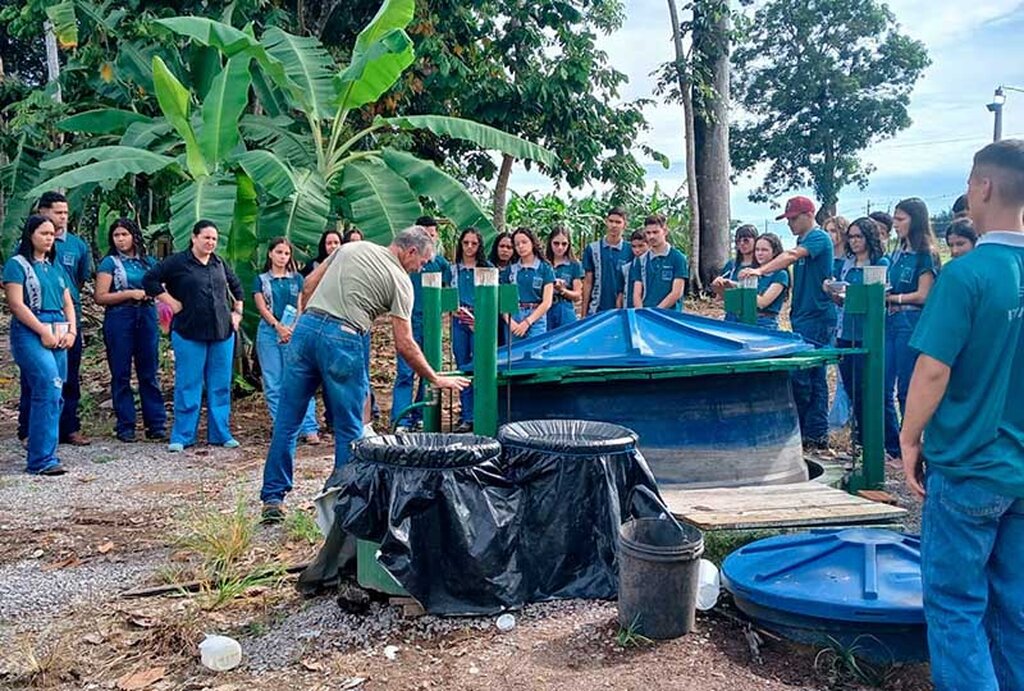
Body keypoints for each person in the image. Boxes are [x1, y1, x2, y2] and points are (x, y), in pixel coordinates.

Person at [901, 139, 1024, 691]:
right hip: (1020, 469)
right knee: (1014, 609)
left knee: (954, 605)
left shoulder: (968, 274)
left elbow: (932, 371)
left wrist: (908, 438)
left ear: (983, 187)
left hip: (969, 466)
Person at [259, 226, 470, 522]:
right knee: (350, 427)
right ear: (410, 251)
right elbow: (405, 344)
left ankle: (273, 498)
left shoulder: (351, 248)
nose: (420, 268)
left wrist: (308, 322)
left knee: (287, 421)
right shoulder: (401, 283)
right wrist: (434, 377)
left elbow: (307, 285)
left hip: (305, 331)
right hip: (343, 338)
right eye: (421, 262)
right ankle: (344, 505)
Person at [143, 220, 244, 452]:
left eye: (214, 239)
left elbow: (236, 287)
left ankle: (220, 433)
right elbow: (150, 280)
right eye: (206, 237)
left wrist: (237, 312)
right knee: (188, 385)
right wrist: (170, 302)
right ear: (194, 237)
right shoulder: (178, 262)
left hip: (221, 333)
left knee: (220, 386)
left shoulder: (219, 263)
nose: (210, 242)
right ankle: (183, 435)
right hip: (189, 332)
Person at [742, 196, 835, 449]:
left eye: (794, 218)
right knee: (810, 375)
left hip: (817, 315)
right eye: (789, 219)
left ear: (809, 214)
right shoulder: (803, 240)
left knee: (808, 375)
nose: (791, 224)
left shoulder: (817, 238)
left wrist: (761, 271)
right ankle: (811, 433)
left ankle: (814, 432)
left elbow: (791, 256)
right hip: (802, 314)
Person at [17, 192, 92, 447]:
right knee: (37, 377)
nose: (63, 217)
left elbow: (76, 283)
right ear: (42, 212)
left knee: (68, 375)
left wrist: (70, 323)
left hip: (69, 319)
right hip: (36, 320)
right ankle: (29, 430)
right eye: (58, 212)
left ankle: (68, 427)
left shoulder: (77, 245)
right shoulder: (25, 249)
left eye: (66, 213)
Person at [4, 215, 77, 475]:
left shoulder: (55, 266)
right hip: (31, 328)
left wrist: (72, 331)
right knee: (47, 384)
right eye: (43, 233)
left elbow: (67, 301)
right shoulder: (17, 265)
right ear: (31, 235)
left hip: (59, 325)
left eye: (51, 234)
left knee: (56, 393)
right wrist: (41, 330)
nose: (48, 238)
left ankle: (46, 451)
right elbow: (16, 303)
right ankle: (41, 460)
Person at [94, 218, 166, 443]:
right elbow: (100, 296)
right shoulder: (110, 263)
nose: (121, 239)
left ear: (134, 236)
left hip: (146, 314)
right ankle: (125, 425)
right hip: (120, 316)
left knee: (149, 371)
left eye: (124, 234)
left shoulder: (149, 262)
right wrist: (129, 294)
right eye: (116, 236)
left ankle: (156, 424)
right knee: (121, 372)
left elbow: (161, 287)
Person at [883, 197, 940, 459]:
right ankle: (893, 448)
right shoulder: (898, 251)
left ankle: (914, 448)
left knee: (907, 388)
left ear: (915, 220)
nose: (895, 225)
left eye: (900, 219)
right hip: (890, 320)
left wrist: (894, 299)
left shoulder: (925, 252)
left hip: (910, 321)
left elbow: (924, 295)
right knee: (883, 384)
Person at [827, 218, 890, 447]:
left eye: (858, 236)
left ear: (869, 237)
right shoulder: (848, 263)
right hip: (846, 331)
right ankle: (861, 440)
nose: (854, 241)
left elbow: (879, 297)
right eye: (851, 237)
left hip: (868, 333)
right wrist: (832, 291)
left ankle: (880, 442)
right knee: (852, 389)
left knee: (870, 391)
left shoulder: (880, 262)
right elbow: (844, 301)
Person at [253, 238, 320, 446]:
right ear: (270, 254)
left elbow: (301, 304)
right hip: (269, 332)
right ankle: (282, 426)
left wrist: (293, 328)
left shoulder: (297, 279)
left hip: (294, 331)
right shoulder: (262, 279)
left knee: (300, 378)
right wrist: (277, 327)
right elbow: (262, 307)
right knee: (273, 382)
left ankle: (309, 427)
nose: (283, 257)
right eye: (279, 252)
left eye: (286, 253)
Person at [392, 215, 452, 431]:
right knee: (405, 372)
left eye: (432, 236)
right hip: (407, 320)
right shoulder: (401, 262)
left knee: (428, 369)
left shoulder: (440, 263)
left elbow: (449, 287)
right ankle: (401, 419)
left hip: (432, 323)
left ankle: (421, 414)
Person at [451, 227, 490, 432]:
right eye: (466, 243)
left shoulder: (486, 268)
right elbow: (445, 294)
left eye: (474, 243)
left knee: (481, 365)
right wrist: (454, 308)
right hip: (459, 321)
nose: (469, 247)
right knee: (462, 365)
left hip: (481, 321)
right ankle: (467, 415)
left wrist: (480, 318)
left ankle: (482, 413)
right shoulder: (453, 269)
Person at [502, 227, 554, 340]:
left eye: (524, 242)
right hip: (514, 316)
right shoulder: (510, 270)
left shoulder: (545, 268)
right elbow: (504, 303)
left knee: (535, 352)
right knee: (514, 355)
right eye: (517, 244)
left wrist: (527, 322)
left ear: (532, 243)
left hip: (536, 318)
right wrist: (510, 322)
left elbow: (547, 302)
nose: (521, 246)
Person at [630, 214, 688, 311]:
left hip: (670, 315)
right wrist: (641, 312)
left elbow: (677, 292)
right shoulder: (641, 260)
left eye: (655, 232)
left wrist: (657, 312)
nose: (651, 236)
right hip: (646, 315)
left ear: (665, 231)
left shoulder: (678, 258)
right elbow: (637, 293)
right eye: (648, 233)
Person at [582, 207, 629, 315]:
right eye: (611, 221)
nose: (614, 225)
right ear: (606, 222)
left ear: (624, 225)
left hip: (621, 311)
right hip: (596, 309)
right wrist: (584, 313)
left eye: (618, 222)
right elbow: (588, 282)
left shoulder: (631, 250)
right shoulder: (593, 249)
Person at [545, 226, 583, 329]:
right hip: (545, 309)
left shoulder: (574, 265)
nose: (560, 247)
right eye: (556, 243)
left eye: (564, 244)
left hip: (565, 308)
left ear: (569, 244)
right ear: (550, 243)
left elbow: (577, 295)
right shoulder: (543, 263)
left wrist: (562, 290)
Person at [751, 233, 790, 329]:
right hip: (747, 320)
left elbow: (763, 303)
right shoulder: (752, 272)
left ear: (774, 252)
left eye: (764, 250)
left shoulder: (780, 274)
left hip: (766, 323)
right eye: (757, 250)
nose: (759, 253)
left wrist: (739, 287)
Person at [712, 224, 757, 296]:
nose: (742, 244)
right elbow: (719, 297)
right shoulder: (731, 265)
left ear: (756, 241)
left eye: (746, 240)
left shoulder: (762, 266)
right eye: (738, 241)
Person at [618, 229, 648, 308]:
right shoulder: (626, 268)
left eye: (641, 246)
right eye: (634, 246)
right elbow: (620, 293)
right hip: (629, 310)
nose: (637, 250)